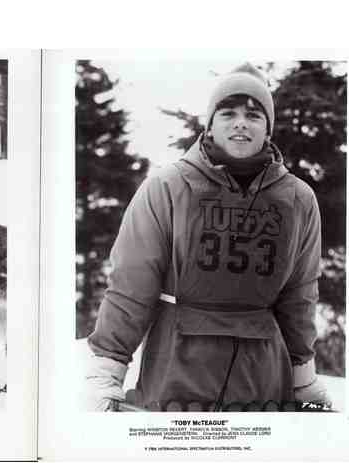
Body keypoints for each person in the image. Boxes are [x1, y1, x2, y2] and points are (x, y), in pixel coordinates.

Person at [85, 63, 331, 412]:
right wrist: (107, 371)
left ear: (268, 129)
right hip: (177, 368)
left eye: (254, 114)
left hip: (262, 378)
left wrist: (303, 376)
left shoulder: (298, 199)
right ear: (211, 125)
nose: (240, 122)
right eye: (227, 112)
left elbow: (300, 293)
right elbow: (131, 283)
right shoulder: (167, 187)